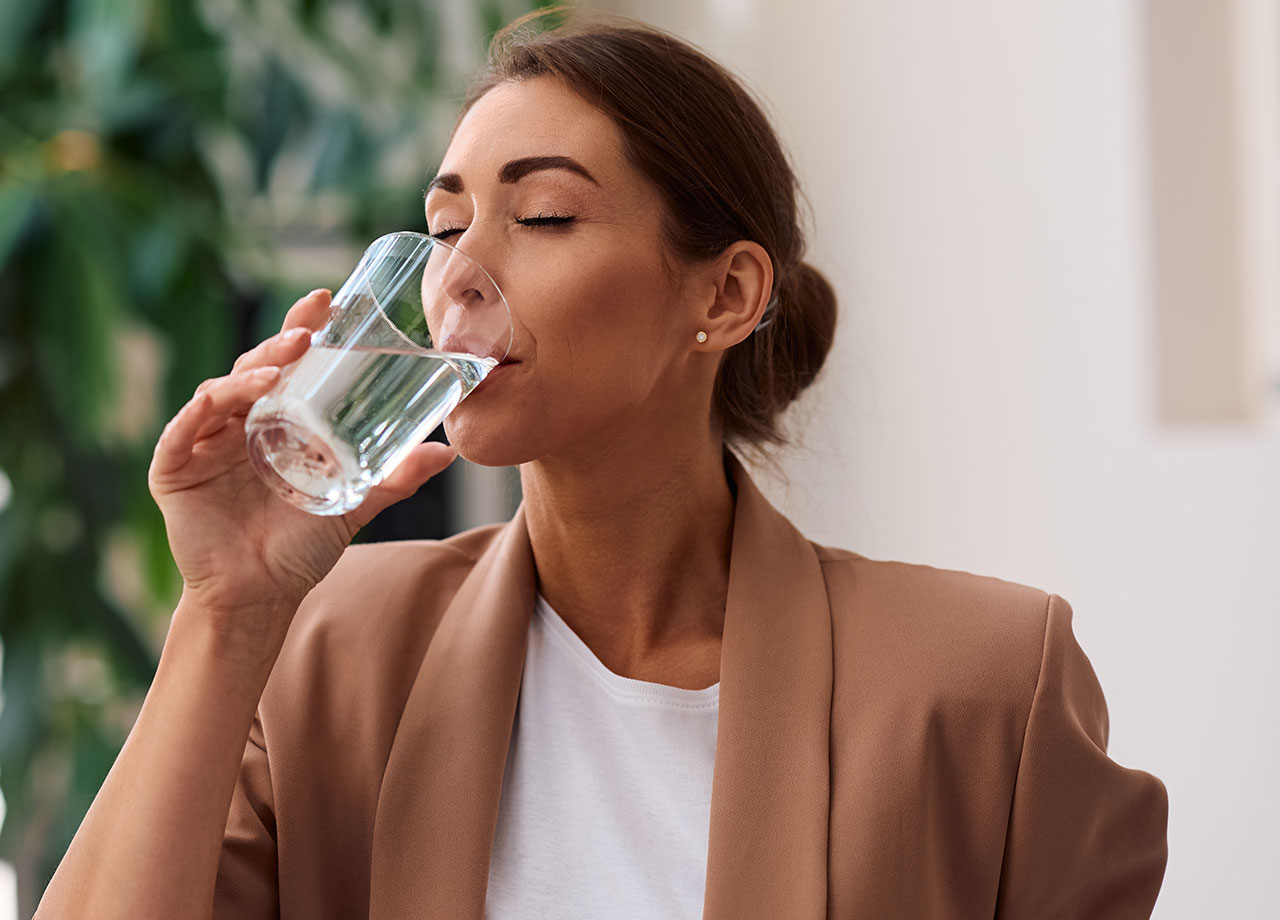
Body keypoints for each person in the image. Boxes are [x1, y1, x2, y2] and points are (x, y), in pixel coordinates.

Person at [35, 10, 1168, 920]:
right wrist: (227, 610)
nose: (456, 278)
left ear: (723, 295)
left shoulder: (983, 683)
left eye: (540, 214)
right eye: (440, 229)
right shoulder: (330, 648)